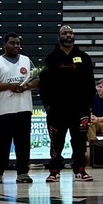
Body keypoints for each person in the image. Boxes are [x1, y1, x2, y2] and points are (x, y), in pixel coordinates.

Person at [39, 25, 95, 182]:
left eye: (71, 33)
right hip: (57, 110)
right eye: (65, 33)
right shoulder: (50, 58)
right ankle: (55, 170)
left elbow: (91, 84)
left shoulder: (84, 57)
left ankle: (80, 169)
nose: (68, 35)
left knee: (79, 141)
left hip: (80, 109)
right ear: (59, 37)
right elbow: (43, 84)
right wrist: (47, 105)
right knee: (57, 142)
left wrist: (88, 106)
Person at [0, 32, 38, 185]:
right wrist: (9, 86)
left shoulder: (27, 60)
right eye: (12, 43)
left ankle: (23, 172)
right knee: (2, 144)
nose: (16, 46)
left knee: (23, 144)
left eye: (18, 43)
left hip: (24, 108)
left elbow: (37, 79)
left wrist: (27, 86)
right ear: (5, 45)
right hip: (4, 110)